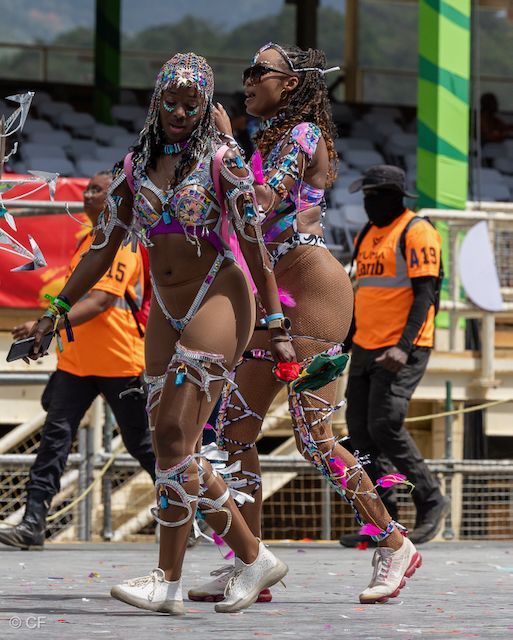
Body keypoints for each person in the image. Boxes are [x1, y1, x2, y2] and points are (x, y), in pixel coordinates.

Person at [24, 53, 291, 616]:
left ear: (204, 108)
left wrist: (275, 321)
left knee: (171, 435)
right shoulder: (134, 166)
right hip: (165, 314)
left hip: (217, 296)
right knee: (176, 446)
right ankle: (168, 581)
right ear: (156, 100)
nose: (178, 112)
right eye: (170, 101)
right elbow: (102, 247)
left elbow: (251, 244)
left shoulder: (222, 161)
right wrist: (55, 310)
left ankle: (251, 555)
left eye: (191, 105)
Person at [189, 43, 421, 606]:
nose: (246, 81)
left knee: (314, 437)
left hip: (312, 290)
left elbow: (263, 202)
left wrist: (223, 144)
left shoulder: (301, 135)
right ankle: (250, 560)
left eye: (258, 72)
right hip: (272, 293)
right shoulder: (271, 138)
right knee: (236, 432)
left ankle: (393, 542)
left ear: (290, 85)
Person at [0, 170, 155, 550]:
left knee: (143, 446)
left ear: (115, 198)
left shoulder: (125, 243)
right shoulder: (89, 240)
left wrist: (47, 325)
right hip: (77, 364)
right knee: (54, 441)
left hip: (121, 362)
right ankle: (33, 523)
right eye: (87, 189)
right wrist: (45, 329)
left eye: (97, 190)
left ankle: (197, 513)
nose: (88, 195)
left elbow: (101, 301)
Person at [339, 165, 449, 549]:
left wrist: (403, 346)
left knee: (386, 424)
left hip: (403, 347)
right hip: (368, 346)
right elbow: (363, 293)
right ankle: (383, 521)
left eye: (374, 196)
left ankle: (431, 498)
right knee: (361, 432)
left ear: (394, 197)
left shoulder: (417, 231)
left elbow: (425, 296)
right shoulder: (368, 233)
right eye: (365, 196)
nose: (368, 204)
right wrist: (347, 342)